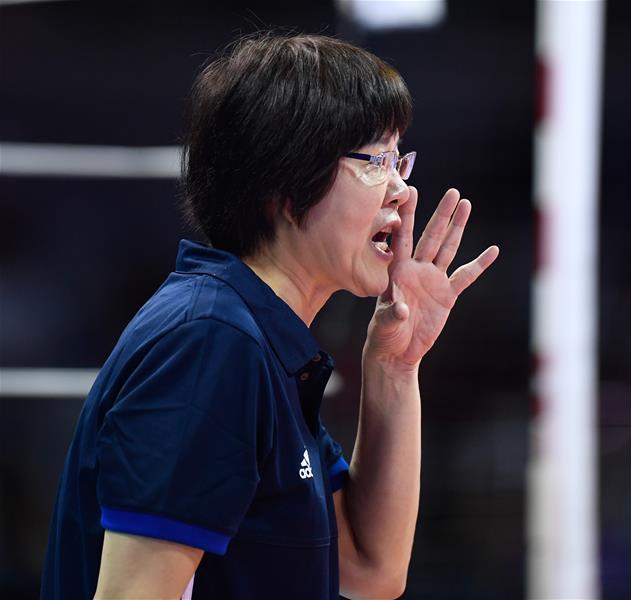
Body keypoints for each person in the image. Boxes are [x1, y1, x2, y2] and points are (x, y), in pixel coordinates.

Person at [40, 31, 498, 600]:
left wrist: (396, 368)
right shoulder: (210, 342)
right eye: (376, 160)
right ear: (284, 185)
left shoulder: (258, 339)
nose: (402, 191)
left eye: (398, 158)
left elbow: (371, 568)